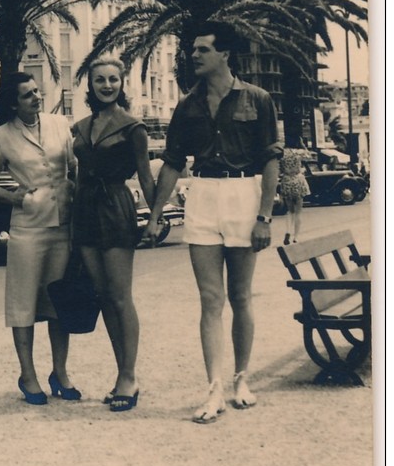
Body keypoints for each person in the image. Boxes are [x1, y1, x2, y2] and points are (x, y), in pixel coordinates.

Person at [143, 23, 282, 423]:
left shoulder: (257, 98)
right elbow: (172, 163)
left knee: (240, 296)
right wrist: (154, 217)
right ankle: (214, 387)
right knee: (210, 299)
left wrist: (264, 217)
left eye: (203, 49)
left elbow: (271, 159)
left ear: (224, 55)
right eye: (192, 50)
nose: (194, 55)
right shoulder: (187, 106)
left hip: (244, 196)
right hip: (202, 196)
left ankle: (242, 378)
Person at [0, 72, 80, 405]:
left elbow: (73, 166)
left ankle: (60, 372)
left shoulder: (59, 124)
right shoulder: (1, 136)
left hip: (63, 225)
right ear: (12, 103)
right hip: (28, 229)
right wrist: (15, 198)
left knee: (59, 302)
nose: (36, 98)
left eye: (37, 92)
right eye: (27, 95)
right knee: (23, 304)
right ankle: (28, 374)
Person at [72, 57, 156, 412]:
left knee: (121, 296)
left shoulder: (133, 127)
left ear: (122, 84)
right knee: (103, 295)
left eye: (113, 80)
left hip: (116, 206)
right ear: (89, 85)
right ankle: (122, 372)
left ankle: (128, 375)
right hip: (86, 208)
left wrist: (155, 216)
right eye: (100, 80)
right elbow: (77, 174)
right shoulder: (80, 126)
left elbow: (146, 176)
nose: (107, 85)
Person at [279, 146, 310, 245]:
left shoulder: (282, 153)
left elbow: (279, 169)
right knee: (298, 212)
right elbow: (309, 156)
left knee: (290, 211)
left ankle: (288, 231)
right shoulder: (299, 152)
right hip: (298, 181)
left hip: (287, 181)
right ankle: (296, 237)